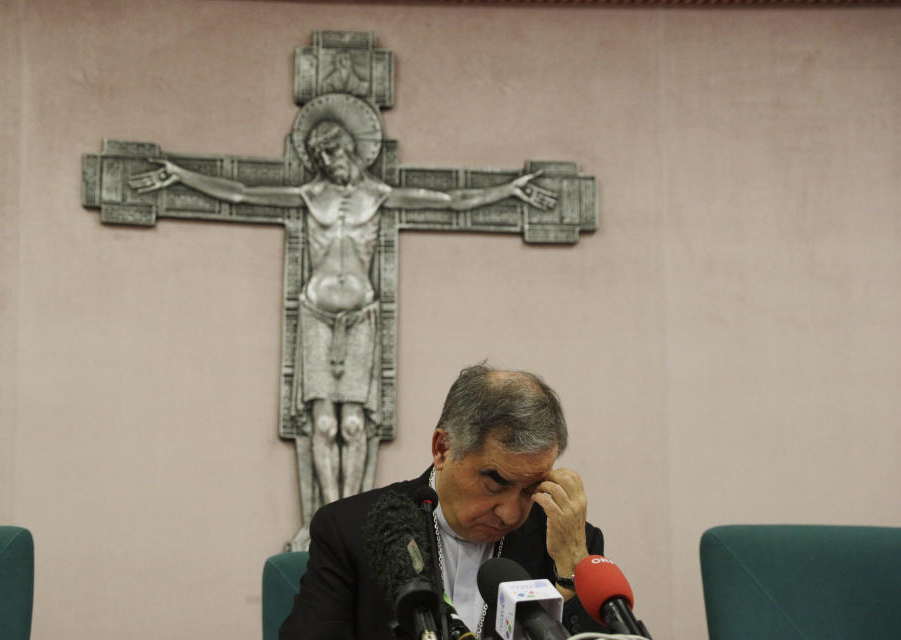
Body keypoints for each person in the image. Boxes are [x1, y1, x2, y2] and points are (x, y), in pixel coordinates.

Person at [129, 121, 558, 548]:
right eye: (319, 157)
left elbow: (450, 200)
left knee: (353, 425)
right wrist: (181, 175)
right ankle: (324, 519)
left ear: (351, 149)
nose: (328, 163)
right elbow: (242, 192)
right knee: (321, 424)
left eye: (332, 153)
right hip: (316, 314)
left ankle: (350, 517)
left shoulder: (378, 195)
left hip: (359, 319)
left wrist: (509, 190)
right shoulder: (310, 194)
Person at [279, 363, 608, 639]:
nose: (510, 514)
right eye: (495, 481)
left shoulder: (563, 543)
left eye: (529, 489)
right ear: (442, 448)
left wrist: (575, 566)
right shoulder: (351, 529)